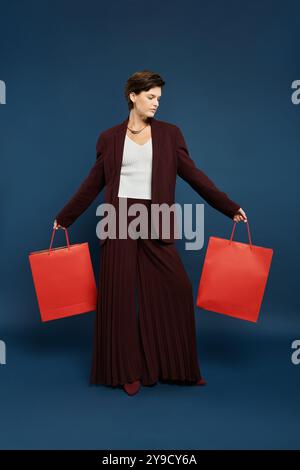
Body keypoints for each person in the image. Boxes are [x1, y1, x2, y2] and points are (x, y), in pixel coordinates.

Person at [53, 70, 247, 396]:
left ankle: (178, 368)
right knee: (120, 297)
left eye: (159, 98)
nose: (157, 103)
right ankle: (126, 371)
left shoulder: (171, 135)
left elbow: (195, 177)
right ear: (133, 96)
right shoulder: (109, 138)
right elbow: (92, 184)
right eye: (151, 96)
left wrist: (228, 207)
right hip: (118, 219)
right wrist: (65, 218)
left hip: (156, 218)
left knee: (178, 288)